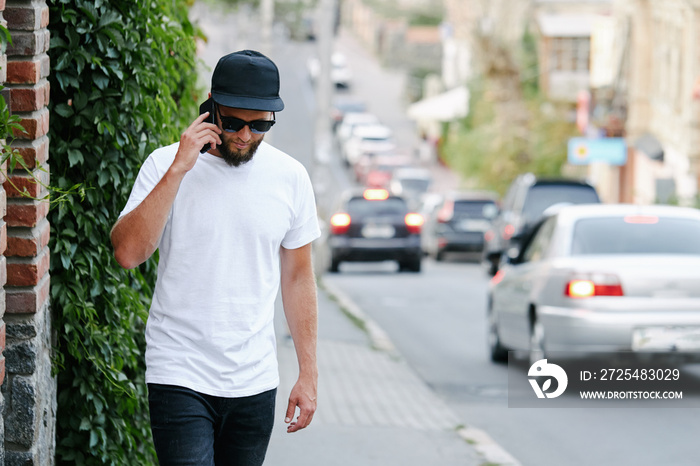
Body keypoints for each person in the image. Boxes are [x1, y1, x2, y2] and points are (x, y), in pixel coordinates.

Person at [110, 50, 321, 465]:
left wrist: (308, 373)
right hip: (179, 372)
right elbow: (128, 253)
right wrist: (178, 170)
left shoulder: (291, 178)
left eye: (260, 124)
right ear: (210, 107)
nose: (246, 135)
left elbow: (298, 278)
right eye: (234, 122)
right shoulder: (164, 165)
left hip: (254, 380)